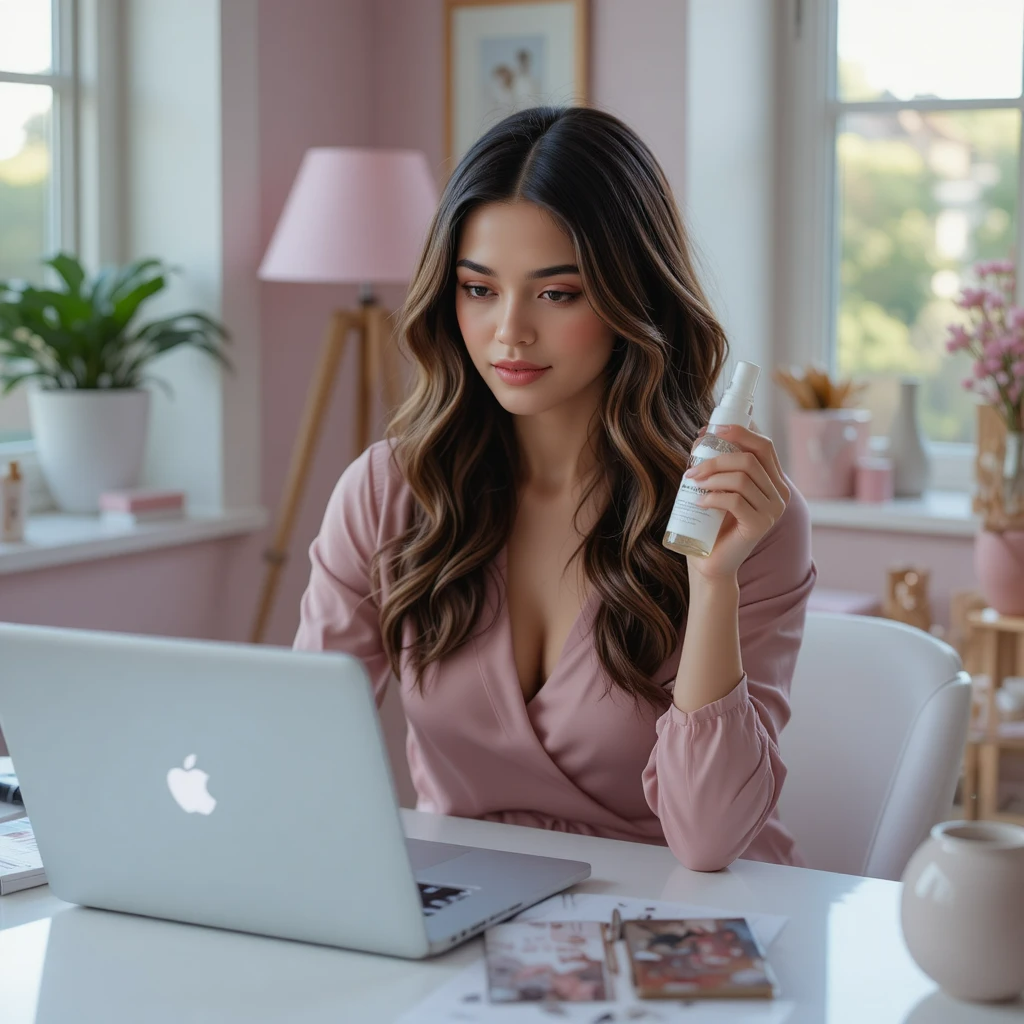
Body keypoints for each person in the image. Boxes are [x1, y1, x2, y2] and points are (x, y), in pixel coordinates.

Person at [294, 105, 816, 872]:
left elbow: (707, 841)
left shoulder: (739, 514)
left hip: (689, 922)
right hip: (469, 912)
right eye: (479, 289)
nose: (509, 332)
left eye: (556, 294)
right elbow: (300, 743)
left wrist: (714, 582)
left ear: (631, 298)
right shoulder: (390, 492)